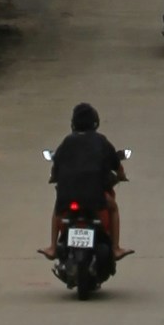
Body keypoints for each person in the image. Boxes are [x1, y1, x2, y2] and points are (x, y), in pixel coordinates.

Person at [46, 98, 128, 264]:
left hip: (67, 195)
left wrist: (54, 177)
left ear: (73, 123)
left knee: (57, 210)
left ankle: (53, 247)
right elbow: (117, 165)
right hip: (95, 195)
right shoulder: (101, 141)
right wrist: (121, 176)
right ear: (95, 123)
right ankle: (116, 248)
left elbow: (56, 167)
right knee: (113, 208)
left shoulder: (67, 141)